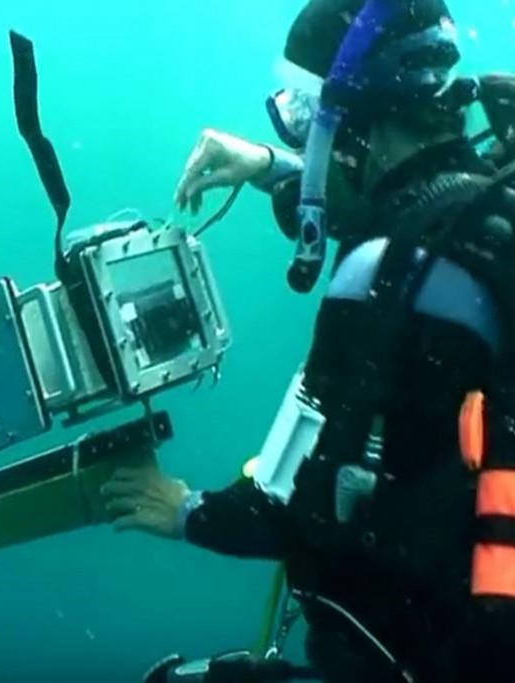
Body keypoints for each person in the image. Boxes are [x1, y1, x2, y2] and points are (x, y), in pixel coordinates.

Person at [101, 1, 515, 681]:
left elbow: (297, 515)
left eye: (308, 120)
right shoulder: (484, 211)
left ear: (351, 125)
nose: (304, 144)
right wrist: (267, 164)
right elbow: (387, 197)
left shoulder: (384, 277)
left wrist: (181, 508)